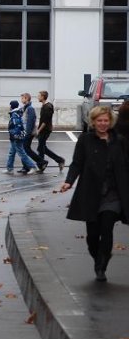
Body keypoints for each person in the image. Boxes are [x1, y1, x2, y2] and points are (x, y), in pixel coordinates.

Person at [58, 105, 129, 282]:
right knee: (92, 236)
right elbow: (76, 163)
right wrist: (69, 181)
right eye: (99, 121)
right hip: (91, 192)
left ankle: (101, 266)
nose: (103, 124)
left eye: (106, 120)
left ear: (110, 121)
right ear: (94, 121)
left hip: (113, 194)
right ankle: (99, 255)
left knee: (107, 228)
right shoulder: (85, 140)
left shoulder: (119, 140)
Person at [34, 90, 65, 171]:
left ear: (43, 97)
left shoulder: (48, 107)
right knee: (42, 148)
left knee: (41, 148)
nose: (37, 97)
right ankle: (44, 164)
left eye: (39, 96)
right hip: (44, 129)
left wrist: (38, 130)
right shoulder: (45, 106)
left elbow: (45, 121)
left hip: (45, 130)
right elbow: (42, 120)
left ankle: (43, 164)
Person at [5, 99, 37, 174]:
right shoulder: (16, 113)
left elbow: (17, 125)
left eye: (10, 105)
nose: (9, 106)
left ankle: (32, 167)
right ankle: (9, 168)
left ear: (12, 106)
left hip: (16, 137)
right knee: (12, 153)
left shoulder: (15, 114)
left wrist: (16, 135)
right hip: (14, 136)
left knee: (21, 153)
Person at [20, 92, 44, 171]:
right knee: (26, 149)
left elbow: (30, 122)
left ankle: (41, 162)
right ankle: (26, 166)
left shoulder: (30, 108)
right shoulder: (26, 107)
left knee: (25, 149)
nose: (21, 100)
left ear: (26, 98)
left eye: (22, 98)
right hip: (27, 132)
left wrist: (27, 133)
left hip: (28, 132)